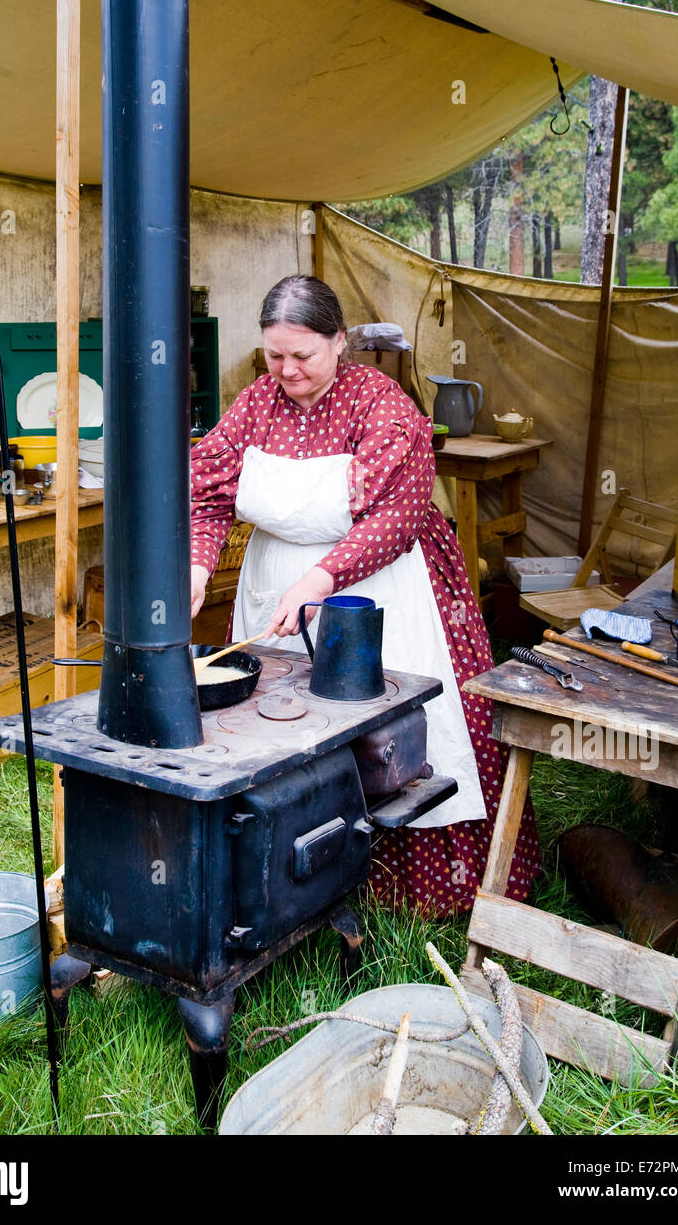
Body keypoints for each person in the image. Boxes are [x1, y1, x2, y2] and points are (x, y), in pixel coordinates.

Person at [190, 275, 540, 915]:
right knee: (281, 728)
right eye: (275, 355)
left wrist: (320, 581)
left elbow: (397, 518)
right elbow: (209, 495)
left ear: (339, 342)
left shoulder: (378, 403)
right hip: (275, 591)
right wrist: (194, 567)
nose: (287, 370)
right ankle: (296, 877)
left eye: (303, 355)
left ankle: (402, 889)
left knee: (386, 734)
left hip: (376, 592)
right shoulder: (253, 406)